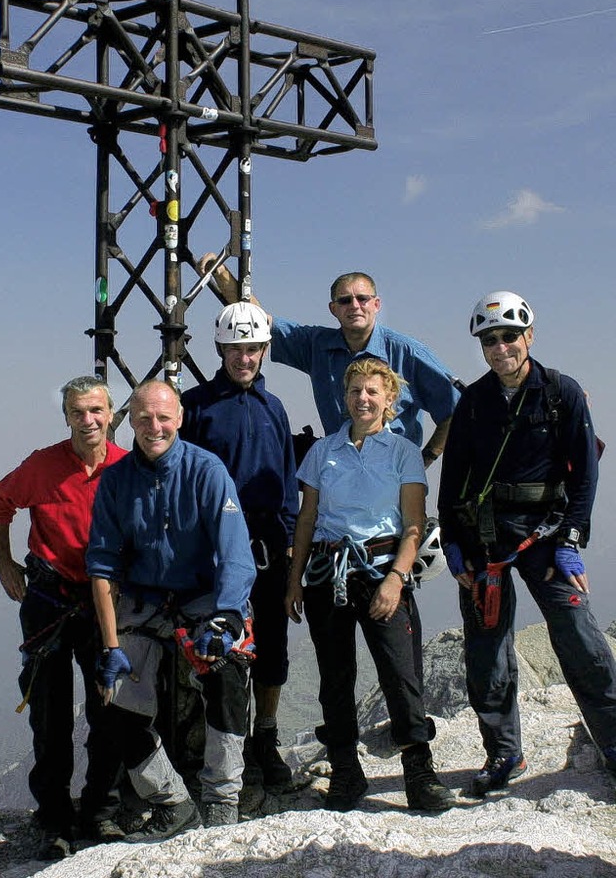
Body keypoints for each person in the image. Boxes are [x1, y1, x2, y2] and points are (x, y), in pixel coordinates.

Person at [438, 291, 616, 796]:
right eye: (490, 340)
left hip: (546, 536)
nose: (500, 348)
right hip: (485, 539)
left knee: (580, 638)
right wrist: (454, 544)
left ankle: (614, 742)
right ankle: (503, 753)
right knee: (486, 650)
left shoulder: (561, 393)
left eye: (509, 336)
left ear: (529, 337)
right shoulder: (472, 403)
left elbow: (585, 474)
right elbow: (453, 482)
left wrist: (572, 539)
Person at [86, 380, 256, 837]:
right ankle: (173, 802)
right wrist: (109, 645)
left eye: (163, 417)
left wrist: (228, 616)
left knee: (226, 678)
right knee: (114, 699)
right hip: (143, 601)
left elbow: (236, 553)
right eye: (144, 418)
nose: (154, 427)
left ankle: (222, 800)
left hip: (204, 597)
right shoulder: (116, 482)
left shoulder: (207, 471)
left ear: (179, 418)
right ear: (132, 422)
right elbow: (102, 564)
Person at [285, 358, 454, 813]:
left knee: (401, 675)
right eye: (355, 390)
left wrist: (396, 580)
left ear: (389, 399)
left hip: (382, 571)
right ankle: (345, 771)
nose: (363, 398)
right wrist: (294, 579)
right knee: (335, 679)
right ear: (345, 397)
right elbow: (307, 518)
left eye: (372, 391)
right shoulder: (323, 452)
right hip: (328, 573)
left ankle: (419, 771)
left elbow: (413, 525)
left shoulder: (402, 453)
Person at [0, 376, 127, 860]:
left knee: (107, 708)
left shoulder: (129, 470)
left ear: (110, 415)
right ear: (66, 418)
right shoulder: (43, 466)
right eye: (77, 413)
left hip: (103, 601)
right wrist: (4, 561)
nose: (87, 421)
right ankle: (54, 819)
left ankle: (100, 812)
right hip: (48, 598)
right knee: (49, 712)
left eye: (95, 411)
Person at [180, 301, 298, 791]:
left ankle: (263, 743)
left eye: (252, 349)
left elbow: (288, 484)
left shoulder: (275, 408)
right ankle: (220, 753)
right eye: (235, 350)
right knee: (218, 652)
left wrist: (293, 552)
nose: (244, 359)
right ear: (220, 350)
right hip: (214, 546)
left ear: (264, 350)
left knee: (271, 650)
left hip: (269, 544)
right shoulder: (196, 407)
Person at [197, 257, 460, 463]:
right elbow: (258, 320)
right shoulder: (316, 346)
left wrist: (426, 458)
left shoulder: (406, 353)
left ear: (377, 304)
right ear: (333, 309)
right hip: (338, 476)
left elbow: (457, 409)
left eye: (362, 299)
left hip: (394, 480)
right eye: (345, 300)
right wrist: (221, 274)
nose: (354, 306)